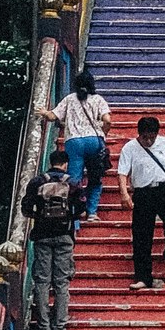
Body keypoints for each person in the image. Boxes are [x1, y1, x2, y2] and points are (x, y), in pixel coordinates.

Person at [21, 149, 86, 330]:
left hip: (41, 237)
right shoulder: (72, 183)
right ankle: (59, 329)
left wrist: (38, 217)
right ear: (65, 164)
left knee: (42, 283)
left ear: (50, 162)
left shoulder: (38, 182)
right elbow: (82, 211)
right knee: (61, 283)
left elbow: (25, 208)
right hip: (64, 237)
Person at [118, 114, 165, 291]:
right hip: (143, 192)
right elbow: (123, 173)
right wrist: (124, 194)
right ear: (139, 134)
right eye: (145, 137)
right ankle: (142, 276)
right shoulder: (129, 148)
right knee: (141, 235)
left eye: (151, 137)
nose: (148, 141)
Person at [47, 67, 112, 218]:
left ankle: (75, 215)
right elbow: (107, 120)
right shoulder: (98, 100)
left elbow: (52, 116)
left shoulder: (69, 99)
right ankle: (92, 213)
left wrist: (44, 113)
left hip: (74, 142)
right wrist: (103, 134)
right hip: (94, 141)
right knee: (95, 178)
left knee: (74, 180)